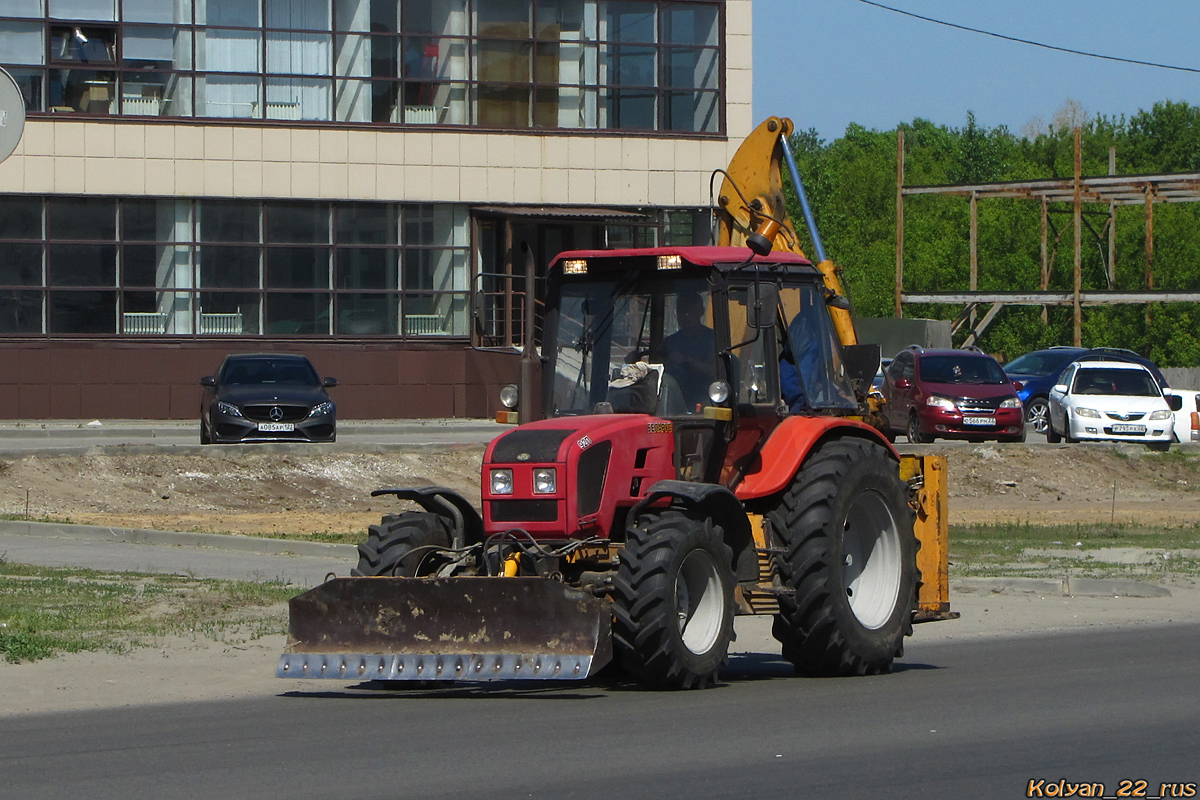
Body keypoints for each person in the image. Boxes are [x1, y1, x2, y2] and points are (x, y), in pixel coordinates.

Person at [656, 291, 716, 411]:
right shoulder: (669, 341)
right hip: (672, 396)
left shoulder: (712, 339)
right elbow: (655, 363)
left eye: (690, 312)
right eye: (682, 312)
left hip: (704, 397)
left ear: (701, 312)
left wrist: (687, 360)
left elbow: (714, 370)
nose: (686, 316)